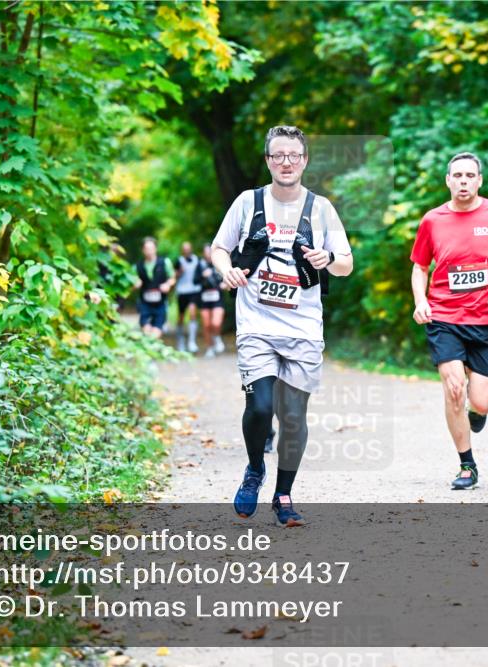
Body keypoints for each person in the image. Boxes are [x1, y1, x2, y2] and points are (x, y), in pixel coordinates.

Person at [210, 125, 353, 526]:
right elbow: (219, 247)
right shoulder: (248, 202)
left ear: (304, 161)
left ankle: (283, 494)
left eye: (294, 155)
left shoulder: (321, 208)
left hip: (304, 328)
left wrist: (328, 259)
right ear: (269, 160)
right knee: (258, 407)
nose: (286, 162)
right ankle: (255, 467)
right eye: (278, 156)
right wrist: (228, 272)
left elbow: (346, 263)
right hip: (256, 323)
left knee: (292, 416)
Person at [410, 152, 488, 490]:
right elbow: (419, 267)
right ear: (447, 180)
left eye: (469, 175)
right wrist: (420, 300)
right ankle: (466, 466)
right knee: (454, 388)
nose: (463, 181)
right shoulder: (432, 220)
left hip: (487, 319)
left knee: (481, 400)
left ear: (479, 180)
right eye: (457, 175)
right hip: (445, 317)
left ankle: (479, 411)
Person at [134, 237, 175, 339]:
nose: (149, 251)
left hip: (160, 304)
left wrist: (168, 284)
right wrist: (135, 284)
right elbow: (130, 284)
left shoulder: (165, 262)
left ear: (155, 249)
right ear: (143, 250)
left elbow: (173, 278)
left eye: (151, 248)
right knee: (147, 333)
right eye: (147, 249)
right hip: (145, 304)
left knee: (155, 335)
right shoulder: (137, 266)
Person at [198, 244, 227, 358]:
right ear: (203, 254)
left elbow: (227, 275)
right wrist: (202, 276)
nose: (208, 255)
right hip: (204, 298)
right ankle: (209, 348)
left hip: (217, 297)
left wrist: (225, 283)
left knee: (216, 323)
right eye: (206, 253)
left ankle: (217, 337)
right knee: (206, 325)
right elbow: (195, 281)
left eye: (210, 253)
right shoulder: (200, 266)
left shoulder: (219, 264)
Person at [175, 242, 203, 353]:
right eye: (184, 249)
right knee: (181, 317)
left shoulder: (197, 260)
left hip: (194, 290)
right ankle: (180, 341)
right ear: (182, 250)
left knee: (192, 313)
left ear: (191, 249)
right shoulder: (179, 261)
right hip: (182, 291)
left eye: (188, 248)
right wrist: (179, 272)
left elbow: (200, 274)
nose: (186, 250)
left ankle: (192, 342)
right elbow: (174, 275)